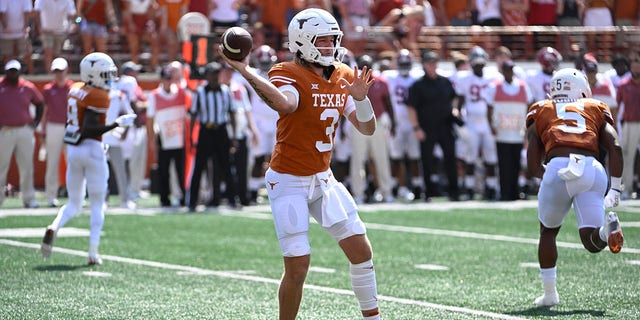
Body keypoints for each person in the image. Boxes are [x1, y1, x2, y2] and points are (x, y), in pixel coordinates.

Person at [220, 8, 381, 320]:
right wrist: (244, 69)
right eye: (323, 41)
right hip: (289, 179)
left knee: (362, 252)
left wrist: (361, 99)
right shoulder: (287, 71)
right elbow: (285, 103)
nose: (330, 47)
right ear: (303, 41)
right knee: (298, 265)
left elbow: (367, 128)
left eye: (333, 40)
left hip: (323, 178)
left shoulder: (343, 75)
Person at [526, 68, 624, 307]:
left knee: (548, 232)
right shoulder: (595, 106)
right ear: (582, 89)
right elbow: (615, 146)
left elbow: (532, 155)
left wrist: (545, 174)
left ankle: (550, 295)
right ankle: (605, 232)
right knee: (591, 242)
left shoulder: (541, 108)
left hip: (558, 165)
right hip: (592, 169)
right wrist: (616, 189)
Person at [41, 52, 137, 265]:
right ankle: (93, 253)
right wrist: (117, 124)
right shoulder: (98, 96)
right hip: (92, 149)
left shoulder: (75, 89)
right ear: (93, 74)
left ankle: (54, 226)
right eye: (105, 74)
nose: (109, 78)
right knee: (97, 203)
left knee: (74, 203)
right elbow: (89, 129)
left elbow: (74, 126)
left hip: (74, 151)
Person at [407, 50, 461, 201]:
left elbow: (454, 98)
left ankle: (454, 191)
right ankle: (429, 192)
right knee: (427, 161)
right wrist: (416, 128)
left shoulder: (445, 81)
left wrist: (455, 110)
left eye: (435, 63)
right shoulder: (418, 85)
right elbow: (411, 108)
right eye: (430, 63)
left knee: (450, 158)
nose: (433, 66)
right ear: (424, 65)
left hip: (445, 125)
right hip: (427, 127)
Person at [186, 61, 237, 211]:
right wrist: (191, 136)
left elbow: (232, 113)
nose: (214, 77)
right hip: (206, 131)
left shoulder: (226, 91)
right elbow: (194, 115)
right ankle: (192, 202)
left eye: (216, 74)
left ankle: (232, 199)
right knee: (199, 167)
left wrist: (233, 136)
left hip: (221, 131)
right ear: (207, 75)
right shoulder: (200, 91)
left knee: (226, 166)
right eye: (212, 74)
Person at [349, 54, 395, 204]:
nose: (365, 68)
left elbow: (388, 103)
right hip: (358, 123)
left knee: (381, 158)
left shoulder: (381, 81)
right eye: (362, 65)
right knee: (358, 159)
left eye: (367, 65)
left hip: (378, 122)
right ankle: (358, 193)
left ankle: (386, 191)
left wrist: (393, 123)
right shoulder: (353, 81)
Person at [486, 59, 533, 201]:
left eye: (511, 69)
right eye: (506, 69)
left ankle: (514, 191)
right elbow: (489, 108)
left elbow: (529, 106)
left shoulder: (523, 87)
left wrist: (527, 127)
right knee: (503, 164)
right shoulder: (495, 86)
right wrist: (491, 126)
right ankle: (505, 192)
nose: (509, 72)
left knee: (516, 163)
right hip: (502, 132)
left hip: (517, 132)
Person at [0, 59, 44, 208]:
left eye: (15, 71)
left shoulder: (27, 86)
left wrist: (36, 122)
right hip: (4, 131)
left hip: (25, 130)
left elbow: (39, 103)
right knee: (1, 167)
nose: (12, 73)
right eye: (10, 71)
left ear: (19, 71)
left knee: (27, 167)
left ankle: (29, 199)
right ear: (6, 71)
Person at [147, 65, 190, 207]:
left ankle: (184, 196)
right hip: (164, 138)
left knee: (181, 170)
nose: (168, 82)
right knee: (163, 171)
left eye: (170, 79)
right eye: (166, 79)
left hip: (181, 138)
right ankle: (164, 198)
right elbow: (150, 119)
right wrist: (151, 140)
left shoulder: (181, 92)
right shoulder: (154, 95)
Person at [41, 57, 74, 207]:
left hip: (70, 127)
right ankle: (50, 196)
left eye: (61, 71)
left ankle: (76, 195)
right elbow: (45, 112)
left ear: (66, 70)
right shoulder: (48, 89)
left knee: (74, 163)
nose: (58, 74)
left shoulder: (73, 88)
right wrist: (43, 131)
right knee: (52, 163)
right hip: (53, 126)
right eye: (56, 71)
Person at [616, 52, 640, 200]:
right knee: (628, 156)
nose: (636, 69)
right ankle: (628, 188)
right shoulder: (624, 85)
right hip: (629, 124)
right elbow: (617, 106)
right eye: (634, 66)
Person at [33, 0, 77, 73]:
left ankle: (57, 74)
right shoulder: (41, 1)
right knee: (48, 52)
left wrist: (72, 25)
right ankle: (49, 75)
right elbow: (36, 12)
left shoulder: (68, 1)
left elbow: (72, 14)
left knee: (57, 54)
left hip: (61, 31)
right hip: (46, 31)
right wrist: (39, 28)